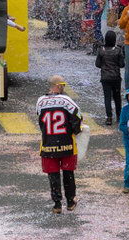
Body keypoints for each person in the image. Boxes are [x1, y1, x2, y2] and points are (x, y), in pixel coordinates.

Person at [36, 75, 82, 214]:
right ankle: (70, 202)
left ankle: (57, 204)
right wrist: (75, 131)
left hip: (48, 145)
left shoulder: (40, 101)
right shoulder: (66, 100)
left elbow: (40, 120)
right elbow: (78, 117)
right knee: (68, 174)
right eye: (63, 85)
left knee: (53, 176)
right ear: (59, 85)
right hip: (67, 144)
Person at [95, 29, 124, 125]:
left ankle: (109, 117)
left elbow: (97, 64)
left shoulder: (101, 50)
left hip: (105, 78)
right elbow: (122, 64)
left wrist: (105, 66)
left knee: (107, 97)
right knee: (117, 97)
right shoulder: (118, 50)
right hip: (116, 77)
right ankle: (119, 116)